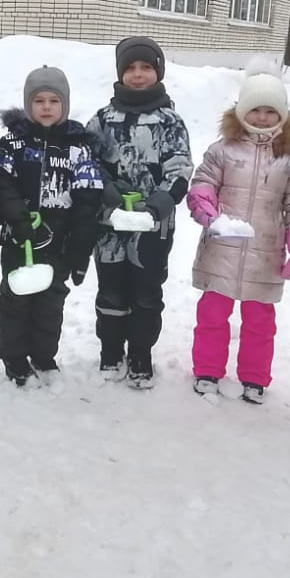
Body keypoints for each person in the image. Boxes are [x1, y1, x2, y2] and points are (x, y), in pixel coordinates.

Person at [186, 66, 290, 404]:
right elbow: (203, 184)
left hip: (266, 252)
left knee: (260, 321)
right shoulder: (222, 149)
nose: (261, 116)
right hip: (222, 247)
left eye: (270, 110)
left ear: (282, 115)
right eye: (255, 109)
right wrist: (207, 212)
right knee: (212, 315)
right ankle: (207, 370)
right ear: (242, 111)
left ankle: (255, 378)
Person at [86, 36, 193, 389]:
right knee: (112, 290)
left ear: (158, 72)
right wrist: (105, 188)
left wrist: (162, 200)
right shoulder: (102, 119)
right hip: (110, 223)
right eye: (130, 68)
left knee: (146, 293)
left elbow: (180, 166)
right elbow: (88, 162)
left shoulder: (169, 121)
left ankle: (141, 353)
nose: (138, 74)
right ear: (120, 73)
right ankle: (111, 350)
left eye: (146, 67)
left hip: (153, 224)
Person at [0, 65, 107, 384]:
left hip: (59, 239)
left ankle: (43, 355)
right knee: (15, 299)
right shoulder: (14, 142)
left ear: (64, 105)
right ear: (29, 104)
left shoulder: (78, 147)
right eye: (38, 100)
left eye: (53, 101)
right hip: (20, 238)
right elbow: (2, 181)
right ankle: (14, 357)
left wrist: (80, 249)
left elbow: (89, 197)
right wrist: (17, 217)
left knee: (50, 301)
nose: (45, 107)